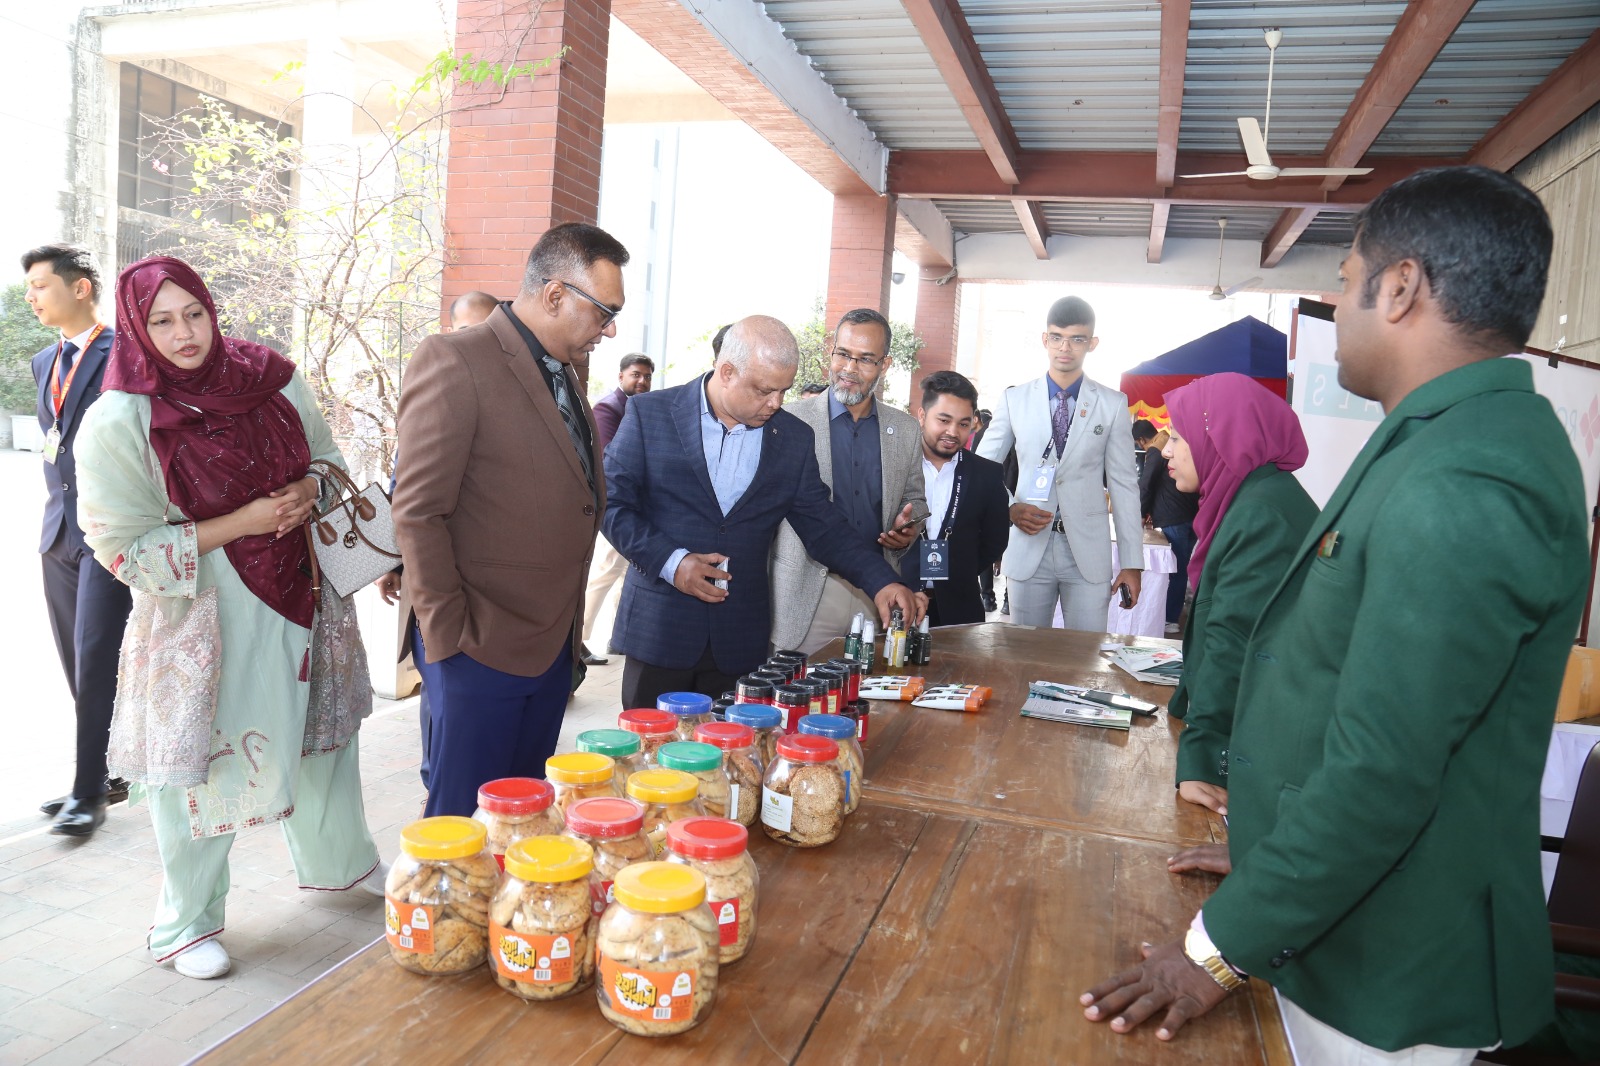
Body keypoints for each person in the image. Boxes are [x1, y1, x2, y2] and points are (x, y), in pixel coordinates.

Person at [1081, 166, 1588, 1063]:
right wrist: (1268, 851)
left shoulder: (1471, 475)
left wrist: (1216, 948)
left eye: (1347, 278)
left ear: (1401, 289)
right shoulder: (1439, 442)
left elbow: (1386, 768)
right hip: (1334, 912)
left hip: (1388, 961)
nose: (1338, 302)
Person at [75, 256, 382, 980]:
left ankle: (342, 863)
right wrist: (242, 521)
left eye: (194, 314)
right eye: (161, 321)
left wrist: (308, 490)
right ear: (136, 328)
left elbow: (329, 457)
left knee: (323, 739)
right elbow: (119, 546)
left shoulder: (270, 378)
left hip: (304, 590)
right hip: (205, 614)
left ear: (213, 311)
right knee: (201, 768)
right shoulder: (122, 418)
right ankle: (183, 925)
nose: (184, 334)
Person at [394, 222, 622, 817]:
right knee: (461, 830)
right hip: (478, 649)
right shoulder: (455, 359)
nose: (610, 330)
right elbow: (418, 510)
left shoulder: (564, 371)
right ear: (555, 295)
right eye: (605, 312)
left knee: (521, 824)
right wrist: (450, 641)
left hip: (550, 648)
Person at [603, 315, 921, 708]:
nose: (776, 403)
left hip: (739, 640)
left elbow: (824, 527)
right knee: (653, 746)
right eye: (764, 390)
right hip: (660, 629)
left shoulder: (791, 437)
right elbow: (612, 504)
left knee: (738, 746)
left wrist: (882, 582)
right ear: (727, 372)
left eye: (783, 391)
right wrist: (672, 562)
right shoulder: (650, 414)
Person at [1153, 374, 1317, 816]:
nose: (1166, 451)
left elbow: (1235, 642)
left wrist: (1204, 761)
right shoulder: (1253, 498)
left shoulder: (1261, 514)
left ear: (1220, 438)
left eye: (1178, 437)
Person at [22, 243, 134, 837]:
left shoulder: (125, 355)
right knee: (76, 658)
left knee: (97, 657)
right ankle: (106, 771)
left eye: (40, 285)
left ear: (80, 287)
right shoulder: (45, 361)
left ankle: (88, 792)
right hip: (58, 533)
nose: (31, 297)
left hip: (108, 531)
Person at [374, 287, 502, 792]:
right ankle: (438, 794)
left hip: (496, 588)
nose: (478, 341)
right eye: (468, 330)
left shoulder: (517, 393)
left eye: (487, 330)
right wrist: (392, 561)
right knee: (441, 697)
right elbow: (405, 488)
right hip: (439, 581)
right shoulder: (439, 385)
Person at [976, 296, 1143, 630]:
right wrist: (1009, 508)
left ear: (1092, 343)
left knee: (1084, 654)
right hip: (1029, 545)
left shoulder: (1112, 404)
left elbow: (1124, 486)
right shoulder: (1015, 399)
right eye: (1057, 337)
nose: (1065, 348)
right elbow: (981, 470)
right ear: (1045, 339)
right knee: (1025, 652)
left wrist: (1132, 563)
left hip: (1088, 553)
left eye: (1077, 339)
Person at [770, 309, 925, 656]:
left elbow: (915, 498)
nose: (849, 369)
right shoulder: (788, 420)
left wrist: (908, 527)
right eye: (843, 354)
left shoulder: (905, 430)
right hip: (806, 592)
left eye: (865, 359)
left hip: (877, 592)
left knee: (871, 687)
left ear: (885, 365)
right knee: (795, 686)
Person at [899, 371, 1010, 627]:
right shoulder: (894, 465)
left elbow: (994, 541)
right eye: (944, 420)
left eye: (963, 424)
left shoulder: (987, 474)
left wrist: (960, 572)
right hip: (898, 601)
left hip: (960, 608)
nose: (953, 432)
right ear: (922, 416)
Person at [582, 352, 655, 664]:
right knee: (605, 573)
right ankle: (575, 642)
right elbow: (609, 461)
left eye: (647, 376)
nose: (642, 381)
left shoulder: (640, 409)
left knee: (625, 575)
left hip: (636, 507)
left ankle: (619, 638)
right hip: (614, 508)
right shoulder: (608, 409)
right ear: (621, 376)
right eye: (635, 375)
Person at [1134, 419, 1200, 634]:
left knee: (1173, 570)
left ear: (1141, 440)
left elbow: (1147, 483)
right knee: (1181, 568)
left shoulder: (1157, 449)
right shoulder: (1176, 444)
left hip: (1173, 517)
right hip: (1191, 515)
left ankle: (1169, 618)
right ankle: (1171, 616)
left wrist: (1140, 514)